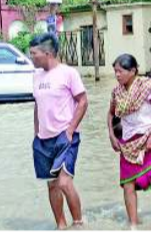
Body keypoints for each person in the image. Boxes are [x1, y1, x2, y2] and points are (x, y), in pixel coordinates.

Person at [29, 33, 89, 230]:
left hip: (65, 136)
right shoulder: (36, 76)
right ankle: (61, 226)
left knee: (64, 182)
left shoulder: (68, 73)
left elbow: (82, 101)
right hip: (43, 140)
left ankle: (78, 224)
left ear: (47, 53)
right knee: (52, 184)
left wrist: (70, 129)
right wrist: (36, 134)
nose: (31, 58)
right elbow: (38, 105)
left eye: (33, 53)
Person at [108, 54, 151, 228]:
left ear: (133, 71)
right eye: (115, 72)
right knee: (127, 183)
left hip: (149, 138)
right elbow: (111, 114)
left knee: (150, 177)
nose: (117, 75)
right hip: (128, 143)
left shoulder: (147, 87)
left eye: (120, 71)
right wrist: (112, 136)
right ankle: (133, 224)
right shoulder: (117, 92)